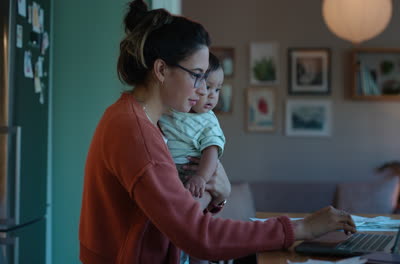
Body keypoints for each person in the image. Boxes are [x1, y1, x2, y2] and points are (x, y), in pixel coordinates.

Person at [78, 1, 357, 264]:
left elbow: (173, 214)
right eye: (196, 75)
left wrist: (215, 196)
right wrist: (302, 227)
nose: (202, 89)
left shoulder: (147, 123)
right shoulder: (135, 133)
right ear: (161, 70)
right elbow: (199, 236)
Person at [159, 52, 225, 199]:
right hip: (165, 171)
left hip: (189, 174)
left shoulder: (209, 122)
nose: (212, 95)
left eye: (217, 89)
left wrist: (201, 177)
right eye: (208, 86)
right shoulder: (173, 108)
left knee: (190, 205)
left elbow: (211, 151)